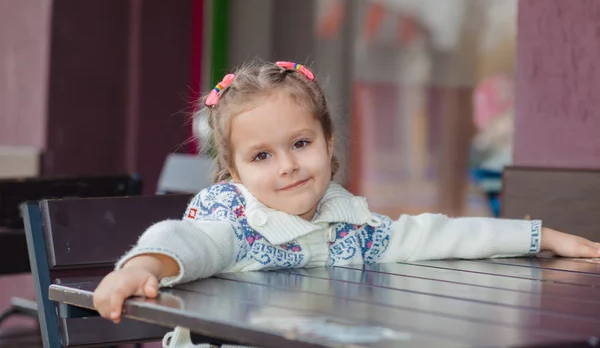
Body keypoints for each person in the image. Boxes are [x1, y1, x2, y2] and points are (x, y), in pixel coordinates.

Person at [93, 60, 600, 347]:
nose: (288, 166)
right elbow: (189, 240)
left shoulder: (346, 220)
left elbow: (432, 234)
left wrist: (538, 237)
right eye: (262, 155)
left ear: (329, 143)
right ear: (235, 172)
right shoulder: (237, 219)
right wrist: (141, 265)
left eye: (300, 144)